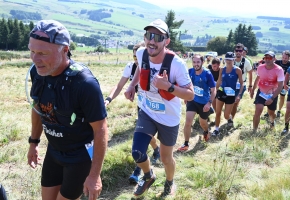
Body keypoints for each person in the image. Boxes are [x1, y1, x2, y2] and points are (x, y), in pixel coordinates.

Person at [27, 20, 108, 200]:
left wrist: (94, 175)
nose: (35, 58)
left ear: (64, 50)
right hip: (54, 151)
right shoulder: (38, 72)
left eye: (42, 53)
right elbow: (38, 108)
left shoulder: (84, 84)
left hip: (79, 157)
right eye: (32, 51)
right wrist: (34, 142)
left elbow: (100, 130)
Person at [124, 19, 194, 198]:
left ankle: (170, 182)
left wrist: (168, 86)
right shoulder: (141, 53)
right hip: (147, 110)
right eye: (148, 35)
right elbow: (141, 68)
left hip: (168, 118)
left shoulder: (176, 64)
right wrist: (132, 85)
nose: (152, 41)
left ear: (166, 41)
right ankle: (148, 176)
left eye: (157, 37)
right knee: (137, 152)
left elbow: (190, 94)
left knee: (165, 158)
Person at [104, 42, 160, 184]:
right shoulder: (130, 67)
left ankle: (138, 171)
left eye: (138, 56)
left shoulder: (153, 65)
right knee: (145, 136)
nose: (136, 59)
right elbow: (119, 85)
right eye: (134, 56)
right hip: (141, 107)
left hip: (154, 108)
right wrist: (109, 99)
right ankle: (156, 149)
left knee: (141, 139)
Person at [177, 54, 216, 152]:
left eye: (198, 62)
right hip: (192, 101)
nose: (196, 64)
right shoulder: (189, 72)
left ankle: (206, 131)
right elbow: (186, 85)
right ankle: (185, 144)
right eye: (194, 62)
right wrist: (186, 96)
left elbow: (213, 89)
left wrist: (209, 103)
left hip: (204, 103)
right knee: (188, 122)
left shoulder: (207, 74)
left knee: (203, 123)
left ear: (202, 62)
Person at [251, 51, 284, 131]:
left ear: (274, 59)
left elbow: (280, 86)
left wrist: (272, 98)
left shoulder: (279, 70)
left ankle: (272, 122)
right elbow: (257, 79)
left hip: (273, 94)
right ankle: (254, 131)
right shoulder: (260, 67)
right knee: (258, 111)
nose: (267, 60)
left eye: (269, 58)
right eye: (266, 57)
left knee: (271, 113)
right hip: (261, 92)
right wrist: (253, 90)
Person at [212, 52, 243, 136]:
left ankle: (229, 119)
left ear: (234, 60)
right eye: (227, 59)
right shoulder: (222, 69)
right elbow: (219, 81)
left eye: (230, 60)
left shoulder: (237, 70)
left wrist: (239, 94)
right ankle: (216, 129)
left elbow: (241, 83)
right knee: (218, 112)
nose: (228, 61)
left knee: (226, 115)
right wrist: (215, 90)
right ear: (225, 60)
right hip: (221, 93)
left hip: (231, 95)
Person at [264, 50, 290, 118]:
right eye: (283, 57)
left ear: (289, 58)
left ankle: (279, 111)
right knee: (272, 97)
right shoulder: (277, 62)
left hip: (284, 84)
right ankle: (269, 112)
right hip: (275, 84)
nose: (284, 59)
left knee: (282, 97)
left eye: (286, 58)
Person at [231, 43, 253, 123]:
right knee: (229, 102)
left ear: (242, 51)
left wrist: (250, 86)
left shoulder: (246, 62)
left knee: (235, 103)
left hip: (240, 85)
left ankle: (231, 120)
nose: (238, 52)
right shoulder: (230, 60)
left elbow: (250, 73)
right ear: (234, 51)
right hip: (230, 85)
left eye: (240, 50)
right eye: (236, 50)